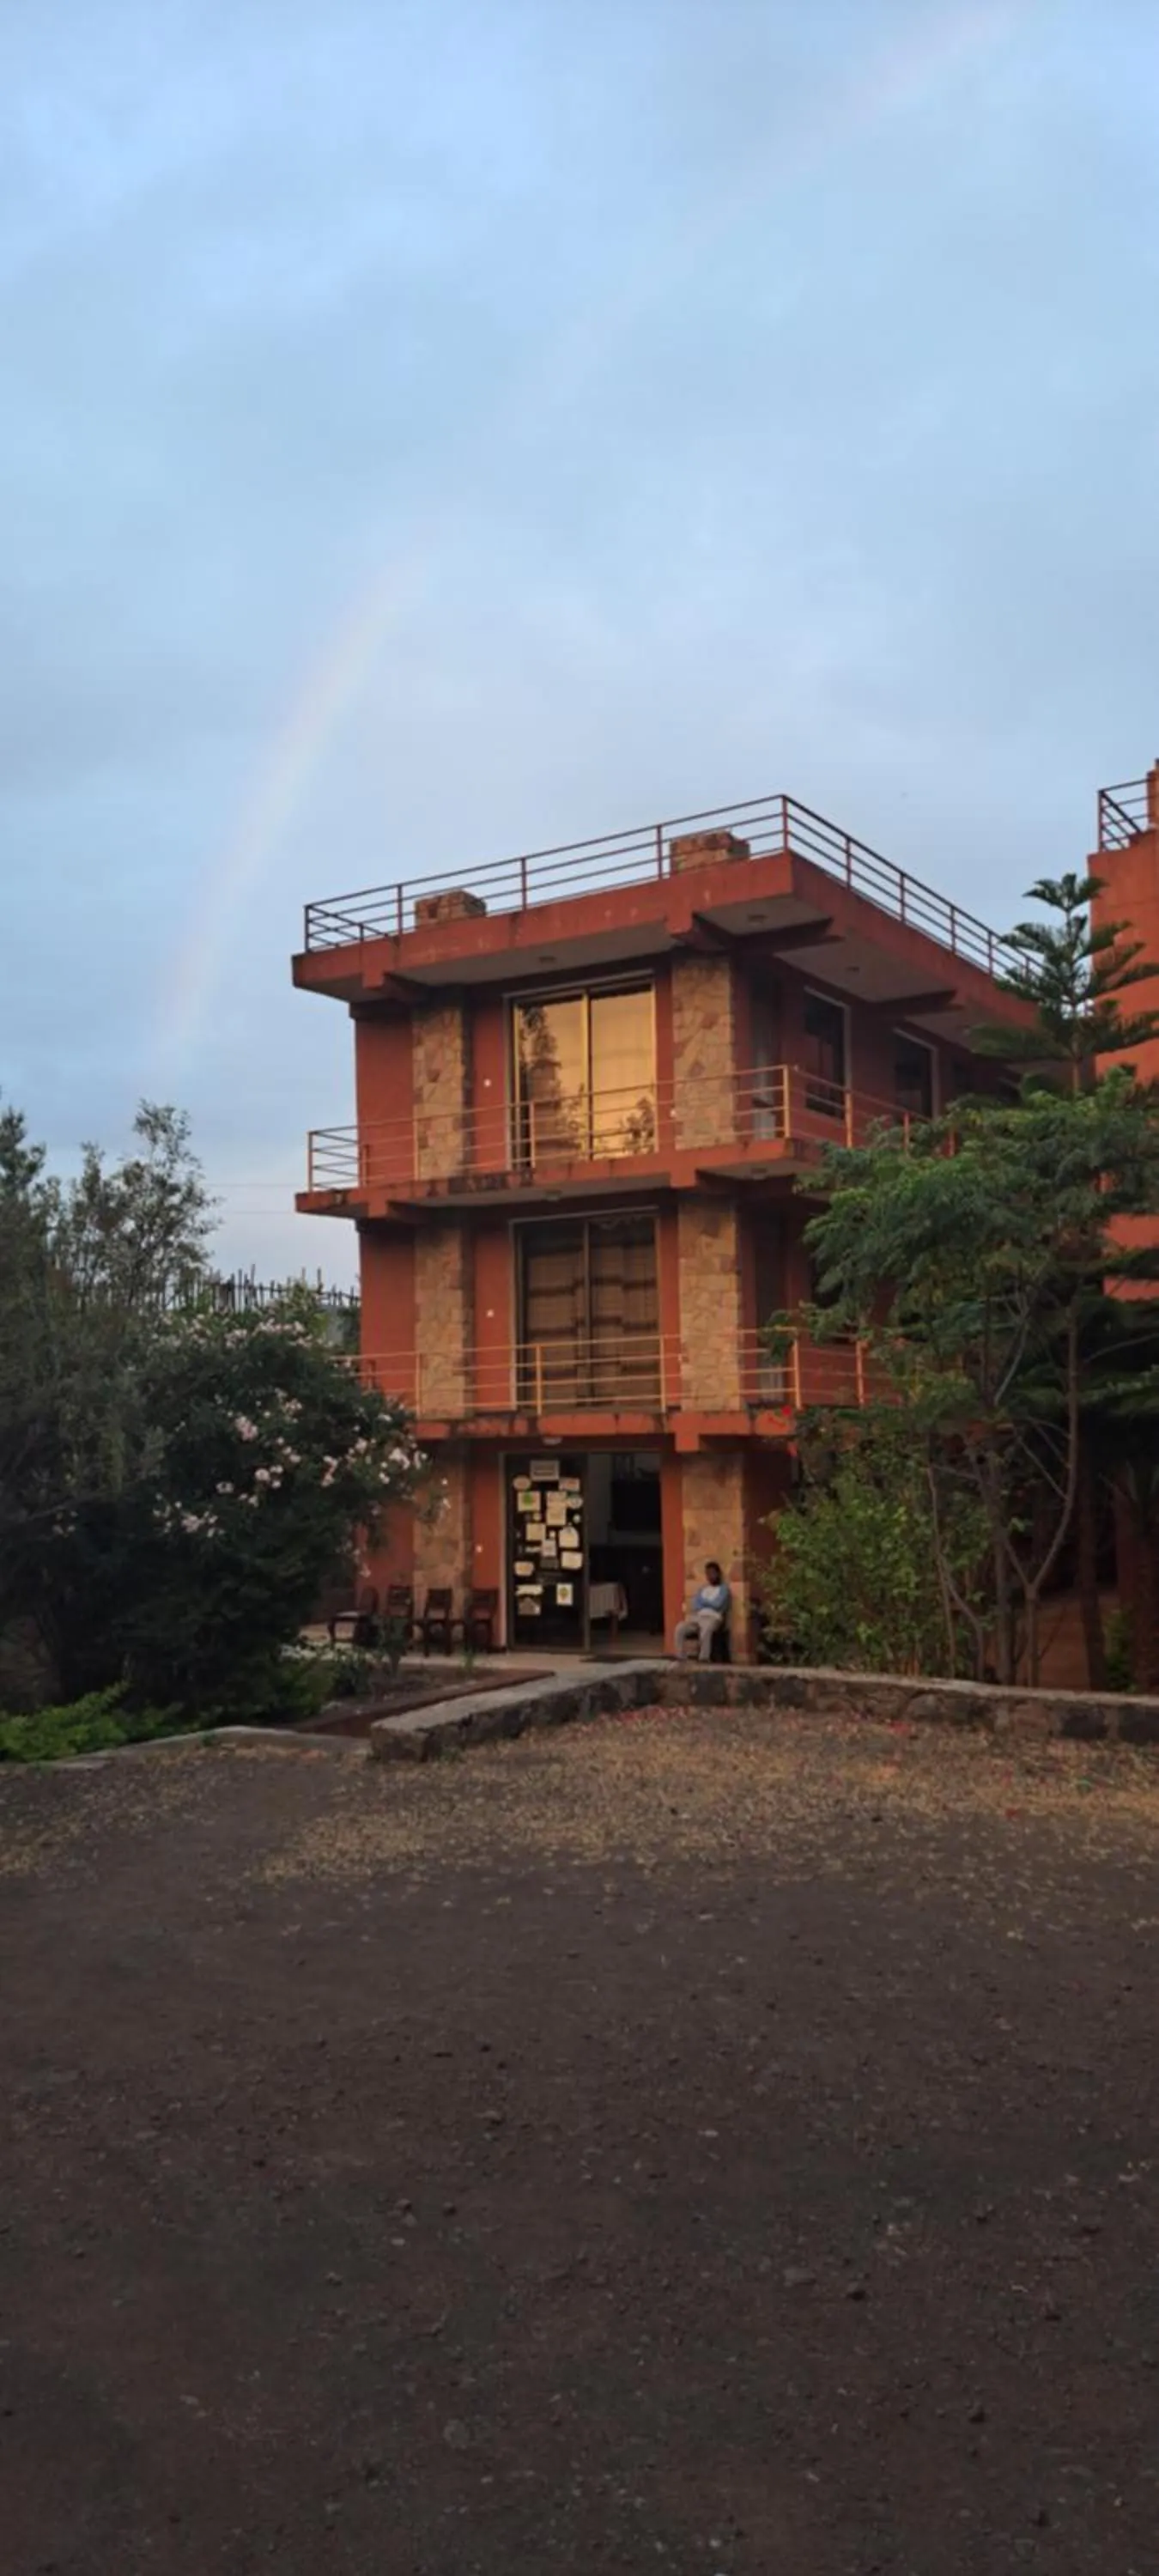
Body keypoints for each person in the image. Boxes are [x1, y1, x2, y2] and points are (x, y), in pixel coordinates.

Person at [674, 1560, 731, 1662]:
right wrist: (709, 1602)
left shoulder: (723, 1589)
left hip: (713, 1618)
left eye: (712, 1573)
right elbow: (696, 1605)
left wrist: (704, 1602)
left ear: (718, 1574)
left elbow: (718, 1605)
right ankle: (681, 1655)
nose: (710, 1576)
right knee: (680, 1628)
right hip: (698, 1617)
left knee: (705, 1630)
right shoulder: (703, 1589)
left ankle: (704, 1658)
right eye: (708, 1574)